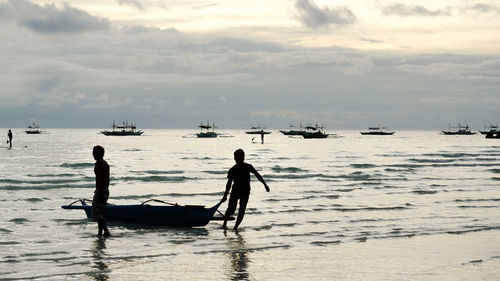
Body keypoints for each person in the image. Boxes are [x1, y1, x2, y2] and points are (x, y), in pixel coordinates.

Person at [222, 149, 270, 230]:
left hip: (245, 192)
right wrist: (225, 195)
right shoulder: (233, 169)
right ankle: (225, 224)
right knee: (231, 209)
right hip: (235, 191)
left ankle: (235, 228)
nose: (237, 159)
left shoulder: (248, 166)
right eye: (236, 157)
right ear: (234, 158)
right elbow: (229, 183)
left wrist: (265, 184)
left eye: (239, 157)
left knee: (241, 211)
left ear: (243, 157)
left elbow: (257, 175)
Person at [91, 145, 110, 236]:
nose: (93, 155)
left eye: (94, 153)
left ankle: (105, 231)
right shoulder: (103, 163)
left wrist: (100, 191)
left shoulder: (100, 164)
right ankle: (100, 232)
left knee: (98, 212)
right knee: (100, 212)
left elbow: (102, 179)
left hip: (101, 191)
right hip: (103, 190)